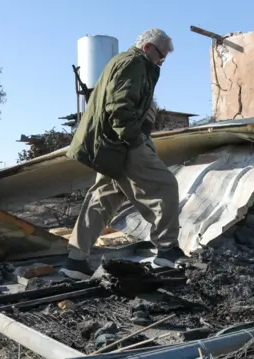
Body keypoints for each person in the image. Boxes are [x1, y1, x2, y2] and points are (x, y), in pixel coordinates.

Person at [62, 28, 186, 280]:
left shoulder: (123, 62)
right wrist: (137, 140)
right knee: (165, 186)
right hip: (122, 142)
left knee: (102, 199)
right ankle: (166, 250)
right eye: (161, 56)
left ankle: (75, 261)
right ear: (147, 47)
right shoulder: (134, 63)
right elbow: (118, 107)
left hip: (108, 145)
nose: (161, 62)